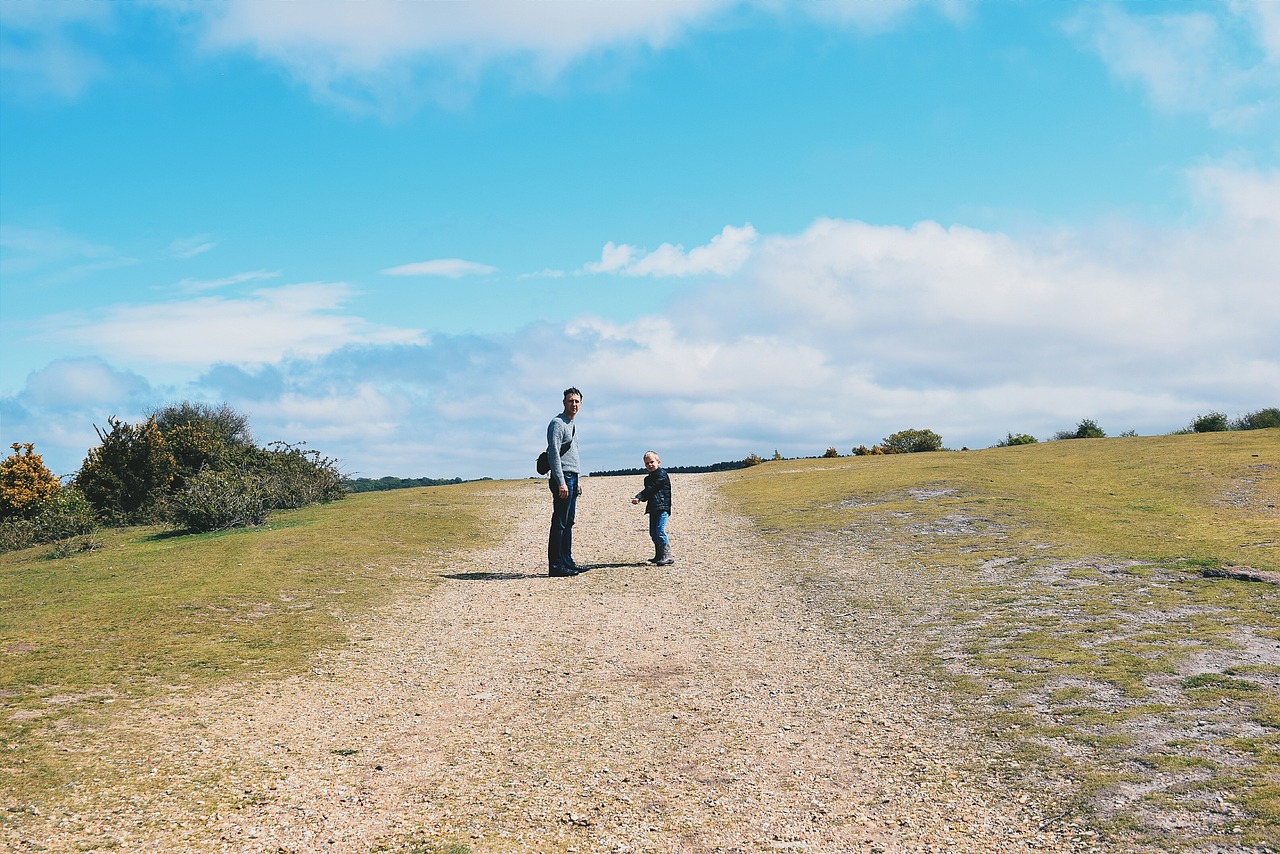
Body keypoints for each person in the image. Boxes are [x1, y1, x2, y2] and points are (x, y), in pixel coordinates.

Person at [546, 387, 583, 577]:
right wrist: (560, 481)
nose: (574, 404)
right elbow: (553, 454)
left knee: (569, 522)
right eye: (571, 401)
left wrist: (578, 480)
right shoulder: (557, 424)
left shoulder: (572, 424)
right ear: (564, 403)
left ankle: (567, 561)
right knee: (559, 522)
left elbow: (573, 454)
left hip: (572, 477)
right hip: (563, 478)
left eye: (577, 401)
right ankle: (556, 566)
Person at [631, 450, 674, 566]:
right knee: (653, 532)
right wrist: (641, 499)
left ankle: (667, 556)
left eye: (652, 462)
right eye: (647, 463)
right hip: (653, 507)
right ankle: (659, 555)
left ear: (658, 462)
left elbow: (653, 488)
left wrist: (640, 496)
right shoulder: (647, 479)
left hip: (663, 507)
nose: (649, 465)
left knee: (660, 531)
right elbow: (649, 493)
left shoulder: (662, 475)